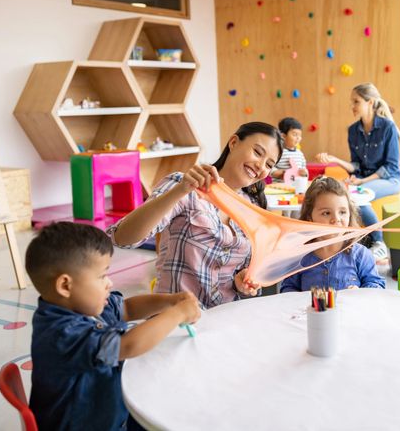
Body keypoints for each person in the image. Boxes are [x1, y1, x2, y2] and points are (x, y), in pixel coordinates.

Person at [26, 222, 200, 431]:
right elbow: (127, 345)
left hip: (110, 408)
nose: (109, 283)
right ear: (65, 285)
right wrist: (177, 313)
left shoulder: (83, 305)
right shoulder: (62, 333)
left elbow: (126, 308)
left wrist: (169, 301)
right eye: (101, 276)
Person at [108, 122, 284, 309]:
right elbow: (122, 239)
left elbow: (241, 273)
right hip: (175, 319)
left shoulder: (252, 207)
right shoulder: (185, 186)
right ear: (233, 143)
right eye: (257, 152)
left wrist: (241, 282)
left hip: (224, 319)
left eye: (269, 164)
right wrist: (180, 191)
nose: (261, 166)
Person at [315, 83, 400, 264]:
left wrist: (362, 181)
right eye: (351, 102)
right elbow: (356, 165)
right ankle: (352, 240)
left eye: (356, 101)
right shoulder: (353, 131)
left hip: (389, 179)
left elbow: (390, 166)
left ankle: (379, 243)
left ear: (370, 102)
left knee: (357, 196)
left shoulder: (388, 128)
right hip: (364, 179)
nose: (352, 106)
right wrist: (336, 160)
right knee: (345, 192)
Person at [280, 177, 385, 292]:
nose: (336, 219)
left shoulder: (361, 255)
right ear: (310, 218)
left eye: (343, 212)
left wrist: (360, 293)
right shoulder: (299, 257)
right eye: (326, 213)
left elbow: (376, 285)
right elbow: (287, 289)